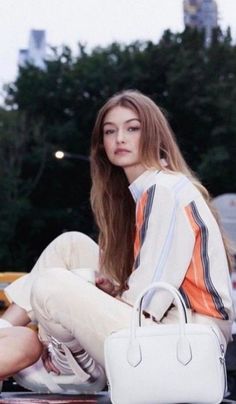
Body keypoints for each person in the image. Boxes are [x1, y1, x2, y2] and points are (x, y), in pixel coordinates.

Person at [0, 90, 234, 394]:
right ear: (102, 143)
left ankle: (70, 363)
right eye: (110, 131)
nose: (120, 138)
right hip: (163, 333)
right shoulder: (145, 192)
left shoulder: (164, 190)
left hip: (178, 341)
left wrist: (91, 296)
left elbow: (147, 303)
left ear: (153, 134)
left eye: (132, 128)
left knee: (51, 284)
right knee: (70, 246)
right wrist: (107, 291)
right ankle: (8, 335)